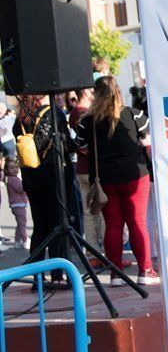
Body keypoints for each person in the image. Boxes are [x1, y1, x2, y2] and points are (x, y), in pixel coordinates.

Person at [77, 76, 159, 285]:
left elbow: (80, 146)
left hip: (105, 178)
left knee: (113, 225)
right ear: (119, 92)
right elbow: (147, 140)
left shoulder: (88, 121)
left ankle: (115, 275)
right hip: (135, 175)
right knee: (137, 222)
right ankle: (145, 271)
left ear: (95, 94)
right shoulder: (134, 115)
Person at [13, 94, 78, 285]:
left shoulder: (21, 118)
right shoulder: (53, 113)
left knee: (40, 227)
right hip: (53, 178)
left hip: (32, 180)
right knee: (58, 225)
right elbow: (66, 144)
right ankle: (58, 274)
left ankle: (38, 276)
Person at [68, 87, 105, 261]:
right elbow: (83, 145)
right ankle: (97, 252)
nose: (94, 92)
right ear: (85, 92)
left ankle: (93, 252)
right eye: (91, 90)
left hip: (85, 169)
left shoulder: (77, 113)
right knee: (97, 211)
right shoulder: (83, 114)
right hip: (91, 170)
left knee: (91, 211)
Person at [5, 160, 28, 249]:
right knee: (22, 224)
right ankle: (25, 240)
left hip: (17, 205)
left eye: (16, 167)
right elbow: (21, 188)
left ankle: (17, 240)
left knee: (19, 224)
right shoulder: (13, 179)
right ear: (7, 170)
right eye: (11, 168)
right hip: (18, 205)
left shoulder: (13, 178)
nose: (14, 169)